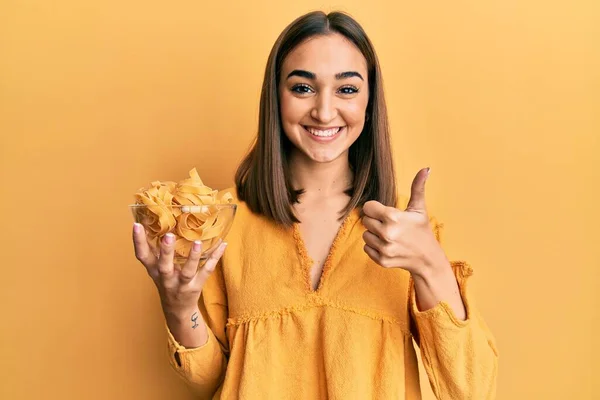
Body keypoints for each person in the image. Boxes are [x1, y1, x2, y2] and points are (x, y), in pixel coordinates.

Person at [132, 10, 498, 399]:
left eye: (347, 89)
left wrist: (430, 264)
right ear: (276, 97)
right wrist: (178, 305)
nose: (324, 111)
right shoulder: (225, 220)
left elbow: (471, 390)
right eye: (303, 88)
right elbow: (210, 378)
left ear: (369, 102)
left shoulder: (406, 227)